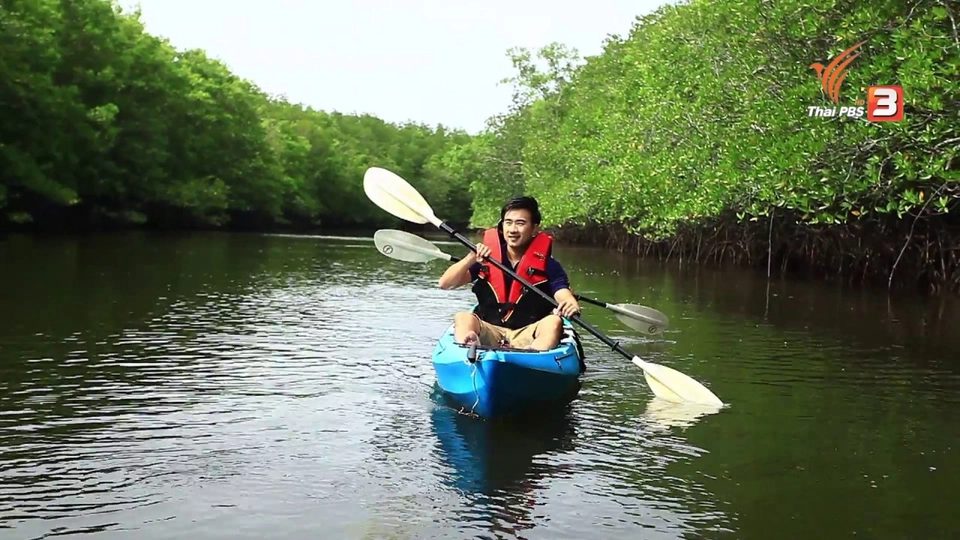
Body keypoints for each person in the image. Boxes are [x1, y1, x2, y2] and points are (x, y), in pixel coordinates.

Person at [438, 195, 581, 351]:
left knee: (554, 322)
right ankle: (471, 346)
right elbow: (445, 284)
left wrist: (570, 303)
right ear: (502, 226)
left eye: (520, 223)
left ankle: (531, 358)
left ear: (534, 228)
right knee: (463, 317)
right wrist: (471, 258)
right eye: (508, 222)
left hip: (529, 333)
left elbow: (562, 293)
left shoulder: (548, 265)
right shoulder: (486, 259)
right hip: (490, 329)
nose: (513, 229)